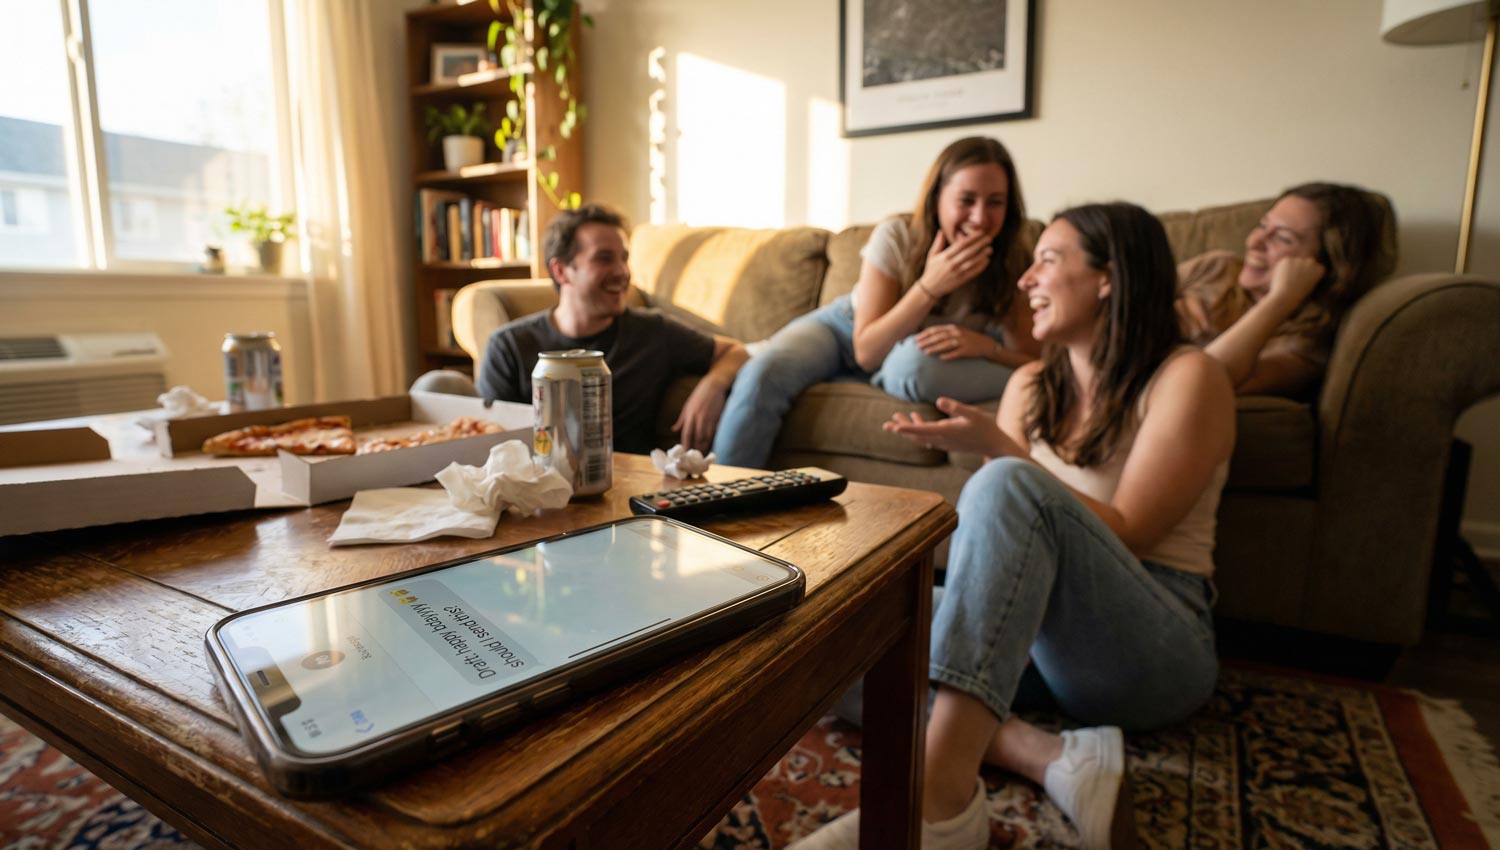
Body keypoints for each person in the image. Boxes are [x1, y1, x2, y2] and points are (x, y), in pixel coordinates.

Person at [790, 203, 1236, 850]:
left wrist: (1006, 454)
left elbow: (1133, 531)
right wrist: (1007, 457)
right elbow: (1006, 540)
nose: (1025, 280)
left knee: (1005, 483)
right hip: (1031, 642)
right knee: (842, 628)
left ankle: (940, 802)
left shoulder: (1188, 376)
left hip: (1151, 643)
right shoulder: (1030, 382)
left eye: (1048, 260)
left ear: (1109, 278)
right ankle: (1048, 756)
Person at [711, 136, 1040, 469]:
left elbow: (1031, 361)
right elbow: (866, 350)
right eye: (966, 200)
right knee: (765, 371)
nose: (980, 218)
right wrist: (930, 286)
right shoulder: (897, 235)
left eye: (995, 202)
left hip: (917, 355)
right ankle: (722, 501)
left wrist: (987, 347)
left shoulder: (1015, 256)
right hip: (846, 329)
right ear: (937, 198)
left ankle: (868, 376)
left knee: (910, 364)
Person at [412, 204, 748, 455]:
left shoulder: (653, 332)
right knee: (437, 385)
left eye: (624, 258)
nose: (622, 272)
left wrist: (711, 387)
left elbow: (734, 350)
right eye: (604, 259)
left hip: (623, 487)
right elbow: (495, 448)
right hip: (535, 491)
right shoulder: (511, 345)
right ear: (562, 271)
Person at [1176, 182, 1396, 397]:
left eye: (1283, 238)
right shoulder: (1217, 267)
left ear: (1326, 266)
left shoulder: (1306, 345)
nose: (1254, 242)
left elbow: (1205, 381)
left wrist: (1280, 299)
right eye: (1262, 226)